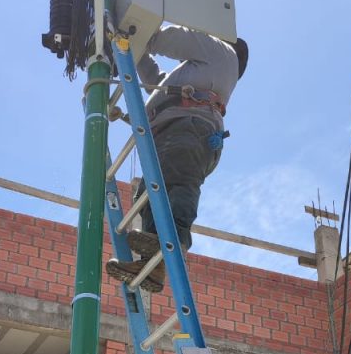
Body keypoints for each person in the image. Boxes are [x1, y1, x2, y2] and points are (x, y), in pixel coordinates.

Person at [106, 26, 248, 292]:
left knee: (178, 184)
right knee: (148, 195)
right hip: (176, 133)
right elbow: (157, 81)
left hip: (188, 130)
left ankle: (175, 243)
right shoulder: (201, 73)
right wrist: (135, 52)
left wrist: (138, 30)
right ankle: (153, 266)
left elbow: (176, 39)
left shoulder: (223, 51)